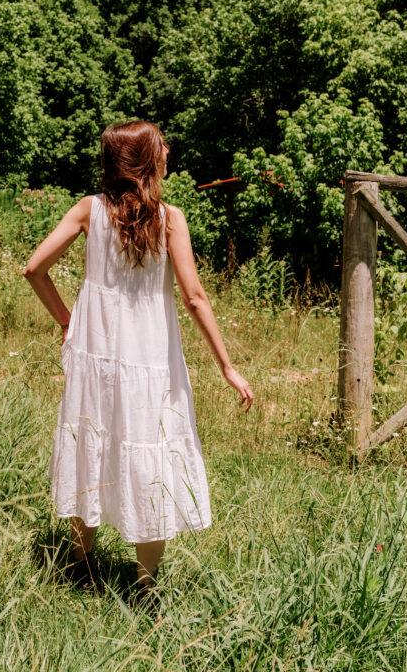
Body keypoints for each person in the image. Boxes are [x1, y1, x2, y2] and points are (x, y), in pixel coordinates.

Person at [23, 120, 253, 594]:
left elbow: (34, 269)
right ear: (147, 160)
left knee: (92, 437)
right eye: (161, 144)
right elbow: (194, 299)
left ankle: (80, 567)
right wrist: (227, 366)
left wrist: (68, 322)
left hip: (96, 351)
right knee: (150, 450)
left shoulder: (89, 211)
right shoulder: (171, 219)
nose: (168, 149)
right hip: (150, 354)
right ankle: (145, 588)